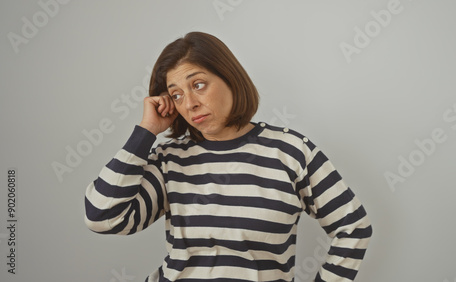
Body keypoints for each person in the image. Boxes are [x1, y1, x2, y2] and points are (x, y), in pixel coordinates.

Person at [84, 31, 372, 282]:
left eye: (198, 85)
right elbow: (102, 217)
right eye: (177, 95)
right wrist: (146, 132)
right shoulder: (169, 160)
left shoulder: (290, 152)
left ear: (230, 78)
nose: (191, 103)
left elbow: (353, 227)